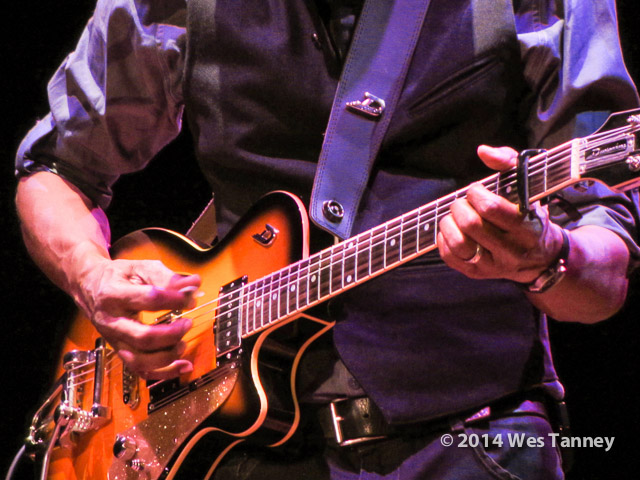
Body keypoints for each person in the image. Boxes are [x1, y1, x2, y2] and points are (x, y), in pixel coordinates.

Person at [13, 0, 640, 478]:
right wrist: (91, 276)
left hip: (469, 442)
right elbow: (56, 171)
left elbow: (603, 276)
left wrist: (548, 259)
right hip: (232, 451)